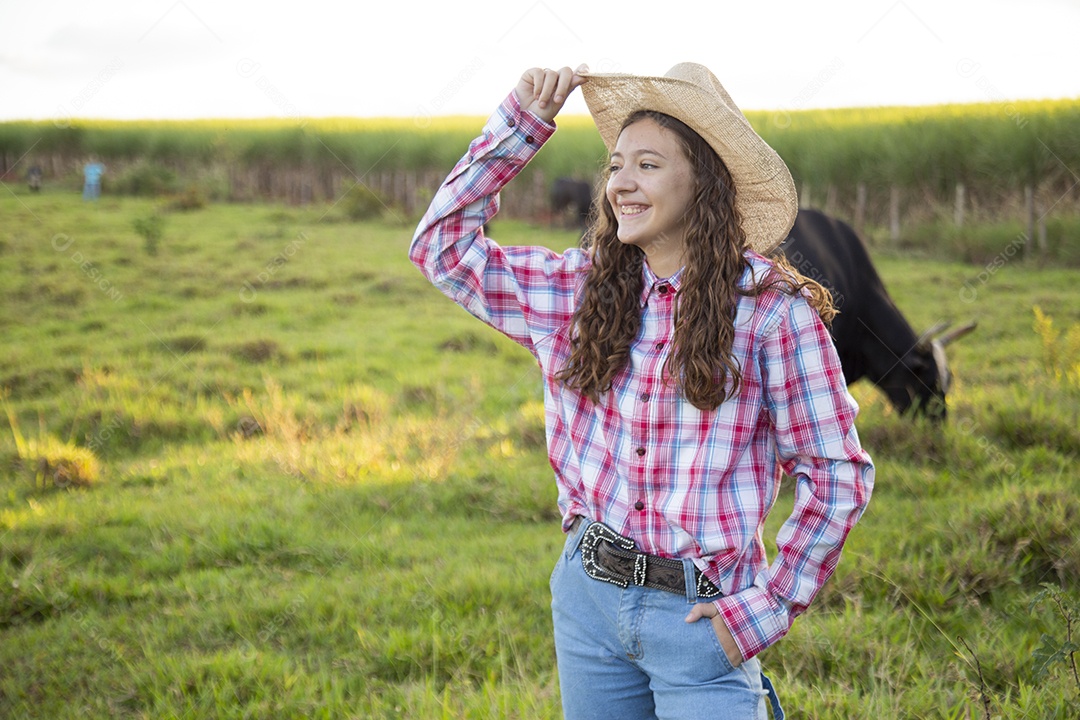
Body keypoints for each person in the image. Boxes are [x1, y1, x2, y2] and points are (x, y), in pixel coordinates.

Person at [410, 63, 874, 720]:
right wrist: (521, 125)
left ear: (706, 182)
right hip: (587, 601)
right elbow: (440, 247)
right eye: (616, 166)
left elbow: (837, 474)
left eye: (648, 165)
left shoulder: (771, 315)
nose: (621, 182)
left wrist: (763, 612)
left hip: (702, 623)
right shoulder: (576, 293)